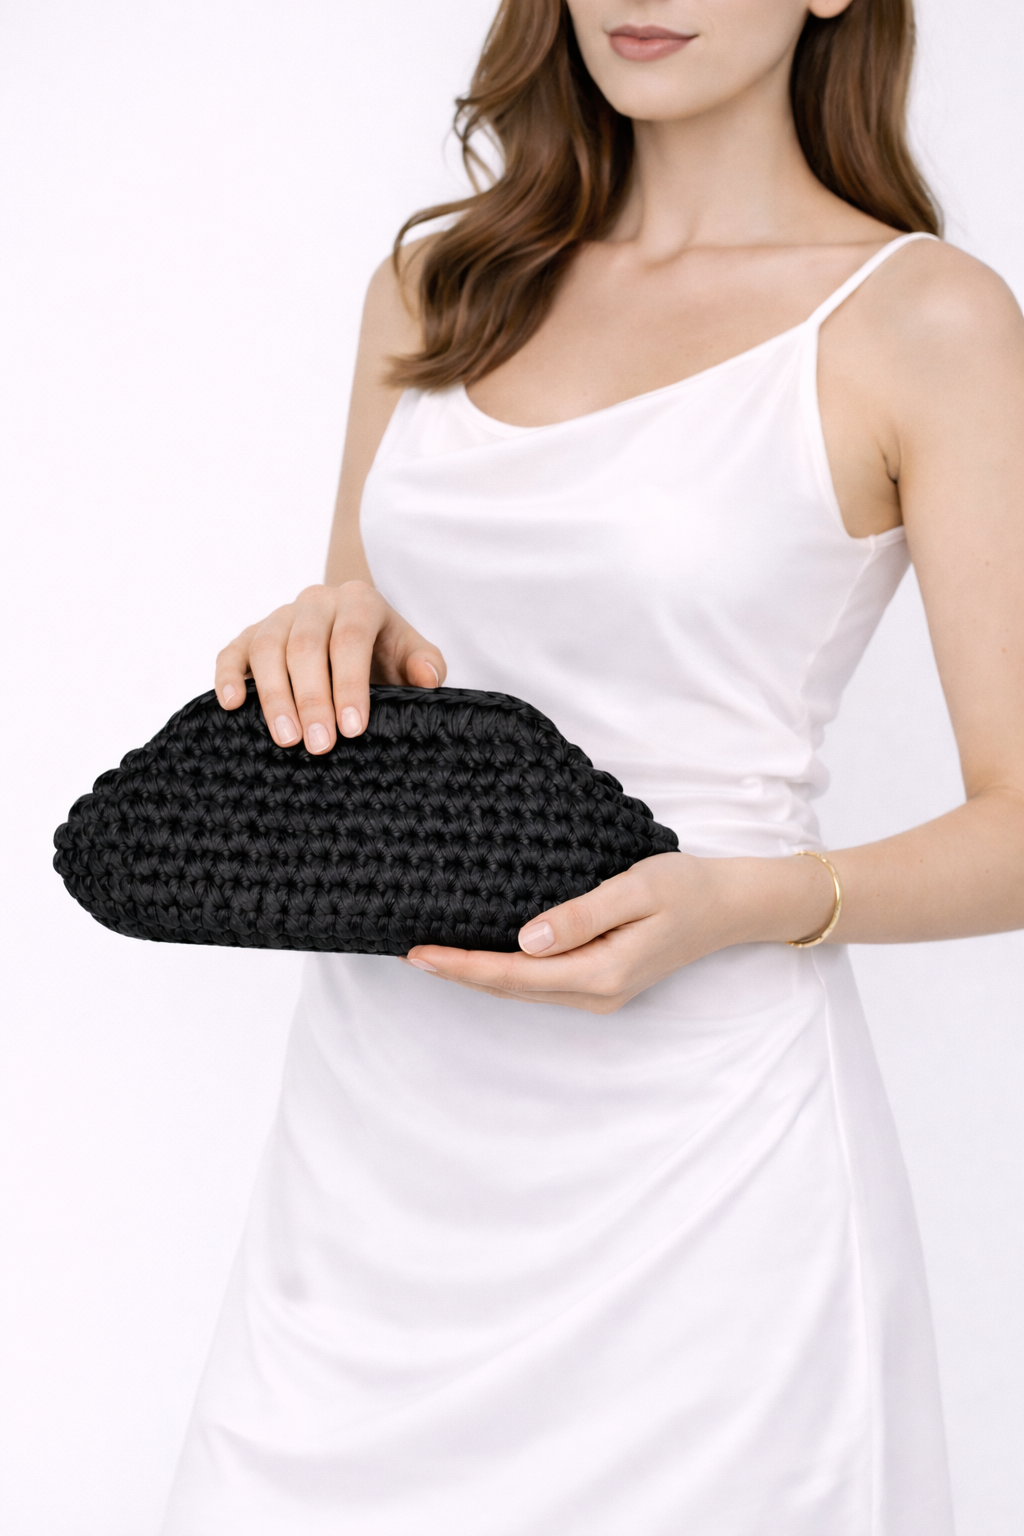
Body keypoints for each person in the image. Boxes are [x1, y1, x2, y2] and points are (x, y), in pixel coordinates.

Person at [161, 2, 1024, 1531]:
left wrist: (747, 900)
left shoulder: (921, 321)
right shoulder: (438, 286)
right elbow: (373, 681)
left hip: (704, 1176)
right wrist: (316, 636)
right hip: (374, 1166)